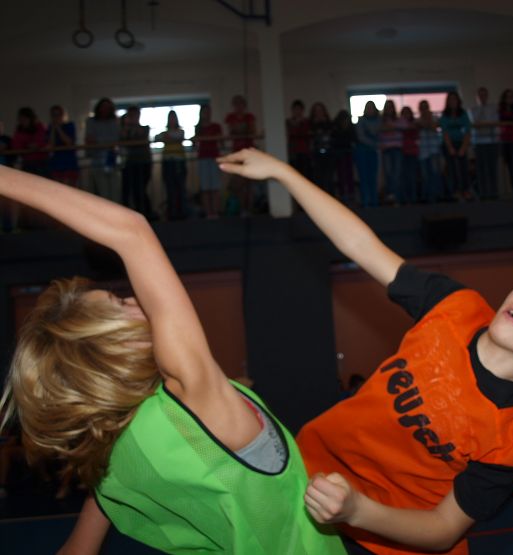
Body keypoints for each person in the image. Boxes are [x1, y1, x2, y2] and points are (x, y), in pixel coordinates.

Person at [218, 148, 513, 555]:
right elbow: (360, 245)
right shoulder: (456, 307)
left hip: (384, 542)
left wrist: (357, 510)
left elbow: (444, 528)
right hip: (307, 478)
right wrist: (283, 172)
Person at [0, 165, 346, 555]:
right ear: (116, 347)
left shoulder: (115, 451)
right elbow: (131, 230)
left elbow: (77, 550)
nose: (136, 298)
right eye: (119, 304)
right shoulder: (194, 397)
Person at [225, 94, 258, 215]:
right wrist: (242, 129)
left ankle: (250, 208)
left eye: (240, 104)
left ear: (244, 105)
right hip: (237, 154)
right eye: (236, 104)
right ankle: (242, 208)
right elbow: (232, 131)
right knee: (237, 182)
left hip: (249, 153)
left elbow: (252, 130)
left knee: (249, 182)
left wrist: (241, 129)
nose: (238, 107)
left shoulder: (249, 117)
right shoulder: (230, 117)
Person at [119, 106, 153, 217]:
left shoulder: (144, 128)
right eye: (131, 115)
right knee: (131, 190)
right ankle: (136, 214)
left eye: (135, 115)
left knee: (140, 189)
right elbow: (122, 141)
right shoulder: (124, 130)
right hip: (130, 163)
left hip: (144, 163)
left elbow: (140, 139)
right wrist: (126, 128)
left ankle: (146, 213)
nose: (133, 117)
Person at [85, 98, 120, 202]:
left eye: (108, 107)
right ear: (99, 108)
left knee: (115, 193)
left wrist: (99, 142)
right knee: (103, 194)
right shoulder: (91, 121)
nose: (105, 109)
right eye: (103, 107)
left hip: (112, 161)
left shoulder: (114, 122)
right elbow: (90, 140)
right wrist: (106, 143)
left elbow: (115, 139)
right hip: (97, 163)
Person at [439, 91, 473, 200]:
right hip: (448, 144)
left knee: (464, 167)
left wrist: (464, 147)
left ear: (458, 101)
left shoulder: (463, 114)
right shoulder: (444, 116)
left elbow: (467, 131)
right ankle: (455, 191)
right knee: (452, 168)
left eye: (454, 99)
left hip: (461, 143)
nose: (453, 102)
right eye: (450, 99)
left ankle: (466, 190)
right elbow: (445, 133)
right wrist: (450, 147)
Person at [155, 110, 187, 220]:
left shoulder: (180, 131)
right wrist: (167, 137)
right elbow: (156, 137)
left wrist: (169, 138)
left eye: (173, 118)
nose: (172, 120)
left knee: (180, 187)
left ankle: (182, 212)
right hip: (168, 162)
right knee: (170, 188)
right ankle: (172, 213)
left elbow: (178, 137)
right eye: (170, 118)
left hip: (179, 161)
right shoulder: (164, 133)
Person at [193, 104, 223, 219]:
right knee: (205, 188)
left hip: (214, 157)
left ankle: (216, 212)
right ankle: (208, 213)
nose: (207, 114)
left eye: (209, 111)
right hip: (203, 158)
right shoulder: (198, 128)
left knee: (215, 187)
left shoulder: (216, 126)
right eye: (205, 111)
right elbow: (195, 143)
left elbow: (221, 141)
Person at [469, 86, 500, 200]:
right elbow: (475, 123)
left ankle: (493, 193)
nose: (482, 97)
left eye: (484, 95)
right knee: (481, 170)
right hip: (479, 142)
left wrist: (484, 124)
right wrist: (482, 120)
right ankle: (483, 194)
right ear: (477, 97)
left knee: (492, 169)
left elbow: (494, 123)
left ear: (487, 96)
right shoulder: (473, 109)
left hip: (492, 142)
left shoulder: (493, 107)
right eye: (480, 95)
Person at [417, 100, 445, 203]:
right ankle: (427, 196)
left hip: (434, 149)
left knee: (435, 173)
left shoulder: (435, 118)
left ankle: (438, 195)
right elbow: (418, 127)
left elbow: (434, 127)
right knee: (425, 175)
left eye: (425, 107)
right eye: (422, 108)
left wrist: (427, 122)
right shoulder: (417, 120)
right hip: (423, 151)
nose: (424, 110)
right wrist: (424, 124)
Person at [354, 101, 381, 207]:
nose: (369, 110)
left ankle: (374, 201)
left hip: (372, 152)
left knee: (373, 177)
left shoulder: (379, 120)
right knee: (363, 177)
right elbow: (361, 137)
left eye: (371, 107)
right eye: (367, 107)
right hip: (362, 152)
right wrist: (375, 144)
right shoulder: (361, 121)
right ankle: (366, 201)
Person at [47, 105, 80, 187]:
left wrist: (58, 128)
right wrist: (53, 129)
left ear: (62, 115)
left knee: (69, 187)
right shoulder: (50, 128)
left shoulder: (70, 125)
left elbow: (68, 142)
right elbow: (51, 144)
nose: (56, 117)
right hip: (56, 162)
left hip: (69, 162)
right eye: (54, 115)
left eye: (58, 114)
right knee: (57, 187)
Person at [310, 102, 336, 196]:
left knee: (329, 178)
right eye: (316, 111)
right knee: (318, 179)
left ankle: (330, 199)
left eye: (320, 110)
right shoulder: (310, 124)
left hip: (329, 154)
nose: (319, 112)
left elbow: (333, 136)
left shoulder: (330, 123)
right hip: (316, 155)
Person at [379, 100, 403, 205]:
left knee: (396, 173)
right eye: (387, 107)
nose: (389, 109)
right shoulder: (381, 120)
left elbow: (405, 127)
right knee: (388, 173)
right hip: (386, 150)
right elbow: (379, 129)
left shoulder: (399, 119)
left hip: (397, 149)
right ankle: (390, 195)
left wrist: (391, 127)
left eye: (391, 106)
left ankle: (396, 196)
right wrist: (390, 128)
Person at [332, 109, 356, 204]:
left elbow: (353, 139)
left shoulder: (351, 128)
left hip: (348, 153)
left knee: (349, 174)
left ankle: (350, 194)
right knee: (341, 174)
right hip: (339, 154)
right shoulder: (336, 129)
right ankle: (343, 194)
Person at [287, 99, 313, 179]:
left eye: (299, 109)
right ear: (292, 110)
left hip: (305, 152)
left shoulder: (307, 122)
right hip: (293, 152)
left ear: (302, 110)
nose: (297, 111)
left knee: (306, 175)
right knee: (295, 174)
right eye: (295, 109)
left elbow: (307, 134)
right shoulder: (288, 122)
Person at [399, 106, 419, 204]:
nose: (406, 115)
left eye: (408, 112)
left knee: (413, 176)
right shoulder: (399, 124)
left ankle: (414, 197)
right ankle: (405, 198)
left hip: (413, 152)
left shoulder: (415, 124)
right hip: (402, 152)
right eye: (404, 113)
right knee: (404, 176)